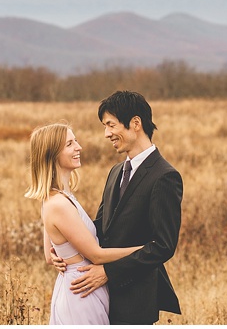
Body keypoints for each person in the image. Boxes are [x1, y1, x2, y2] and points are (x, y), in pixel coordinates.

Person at [69, 91, 183, 324]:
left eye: (111, 125)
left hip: (136, 300)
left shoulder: (165, 177)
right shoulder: (115, 172)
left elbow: (163, 246)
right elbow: (101, 227)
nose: (106, 133)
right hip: (101, 299)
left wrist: (109, 272)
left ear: (136, 123)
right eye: (105, 126)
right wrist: (68, 249)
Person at [25, 123, 144, 325]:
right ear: (52, 154)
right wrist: (146, 249)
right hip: (81, 292)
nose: (79, 147)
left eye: (76, 141)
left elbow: (49, 256)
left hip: (81, 288)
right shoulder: (58, 204)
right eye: (70, 144)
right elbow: (96, 255)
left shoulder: (59, 196)